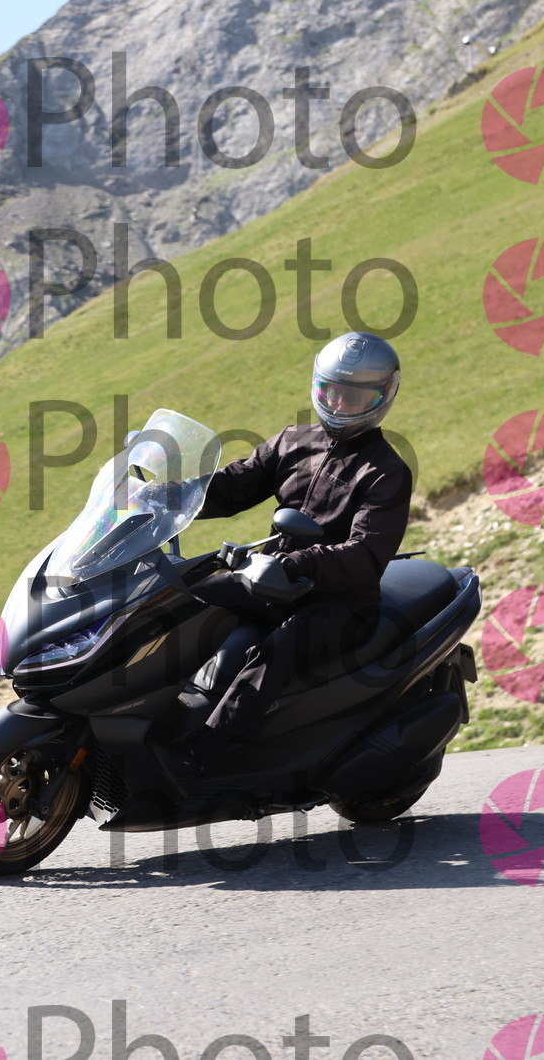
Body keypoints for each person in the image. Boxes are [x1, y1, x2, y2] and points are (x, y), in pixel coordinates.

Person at [174, 331, 413, 774]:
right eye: (331, 391)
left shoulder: (386, 472)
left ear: (385, 395)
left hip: (339, 602)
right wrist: (169, 498)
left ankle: (206, 756)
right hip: (270, 580)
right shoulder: (293, 441)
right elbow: (233, 486)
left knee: (280, 647)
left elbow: (365, 554)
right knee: (184, 596)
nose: (340, 404)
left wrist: (294, 563)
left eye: (356, 397)